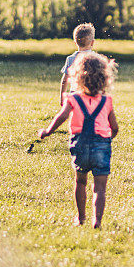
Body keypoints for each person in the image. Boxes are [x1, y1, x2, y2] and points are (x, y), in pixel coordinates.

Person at [39, 52, 118, 228]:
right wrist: (108, 138)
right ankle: (97, 221)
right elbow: (115, 127)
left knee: (80, 182)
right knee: (99, 187)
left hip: (80, 144)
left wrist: (47, 131)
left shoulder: (73, 98)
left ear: (77, 76)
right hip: (101, 145)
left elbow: (61, 117)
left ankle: (81, 218)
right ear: (104, 78)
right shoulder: (107, 101)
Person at [60, 23, 96, 105]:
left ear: (75, 42)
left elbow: (65, 80)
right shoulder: (95, 58)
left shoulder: (70, 59)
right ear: (92, 42)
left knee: (76, 115)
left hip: (74, 93)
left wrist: (62, 97)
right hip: (91, 94)